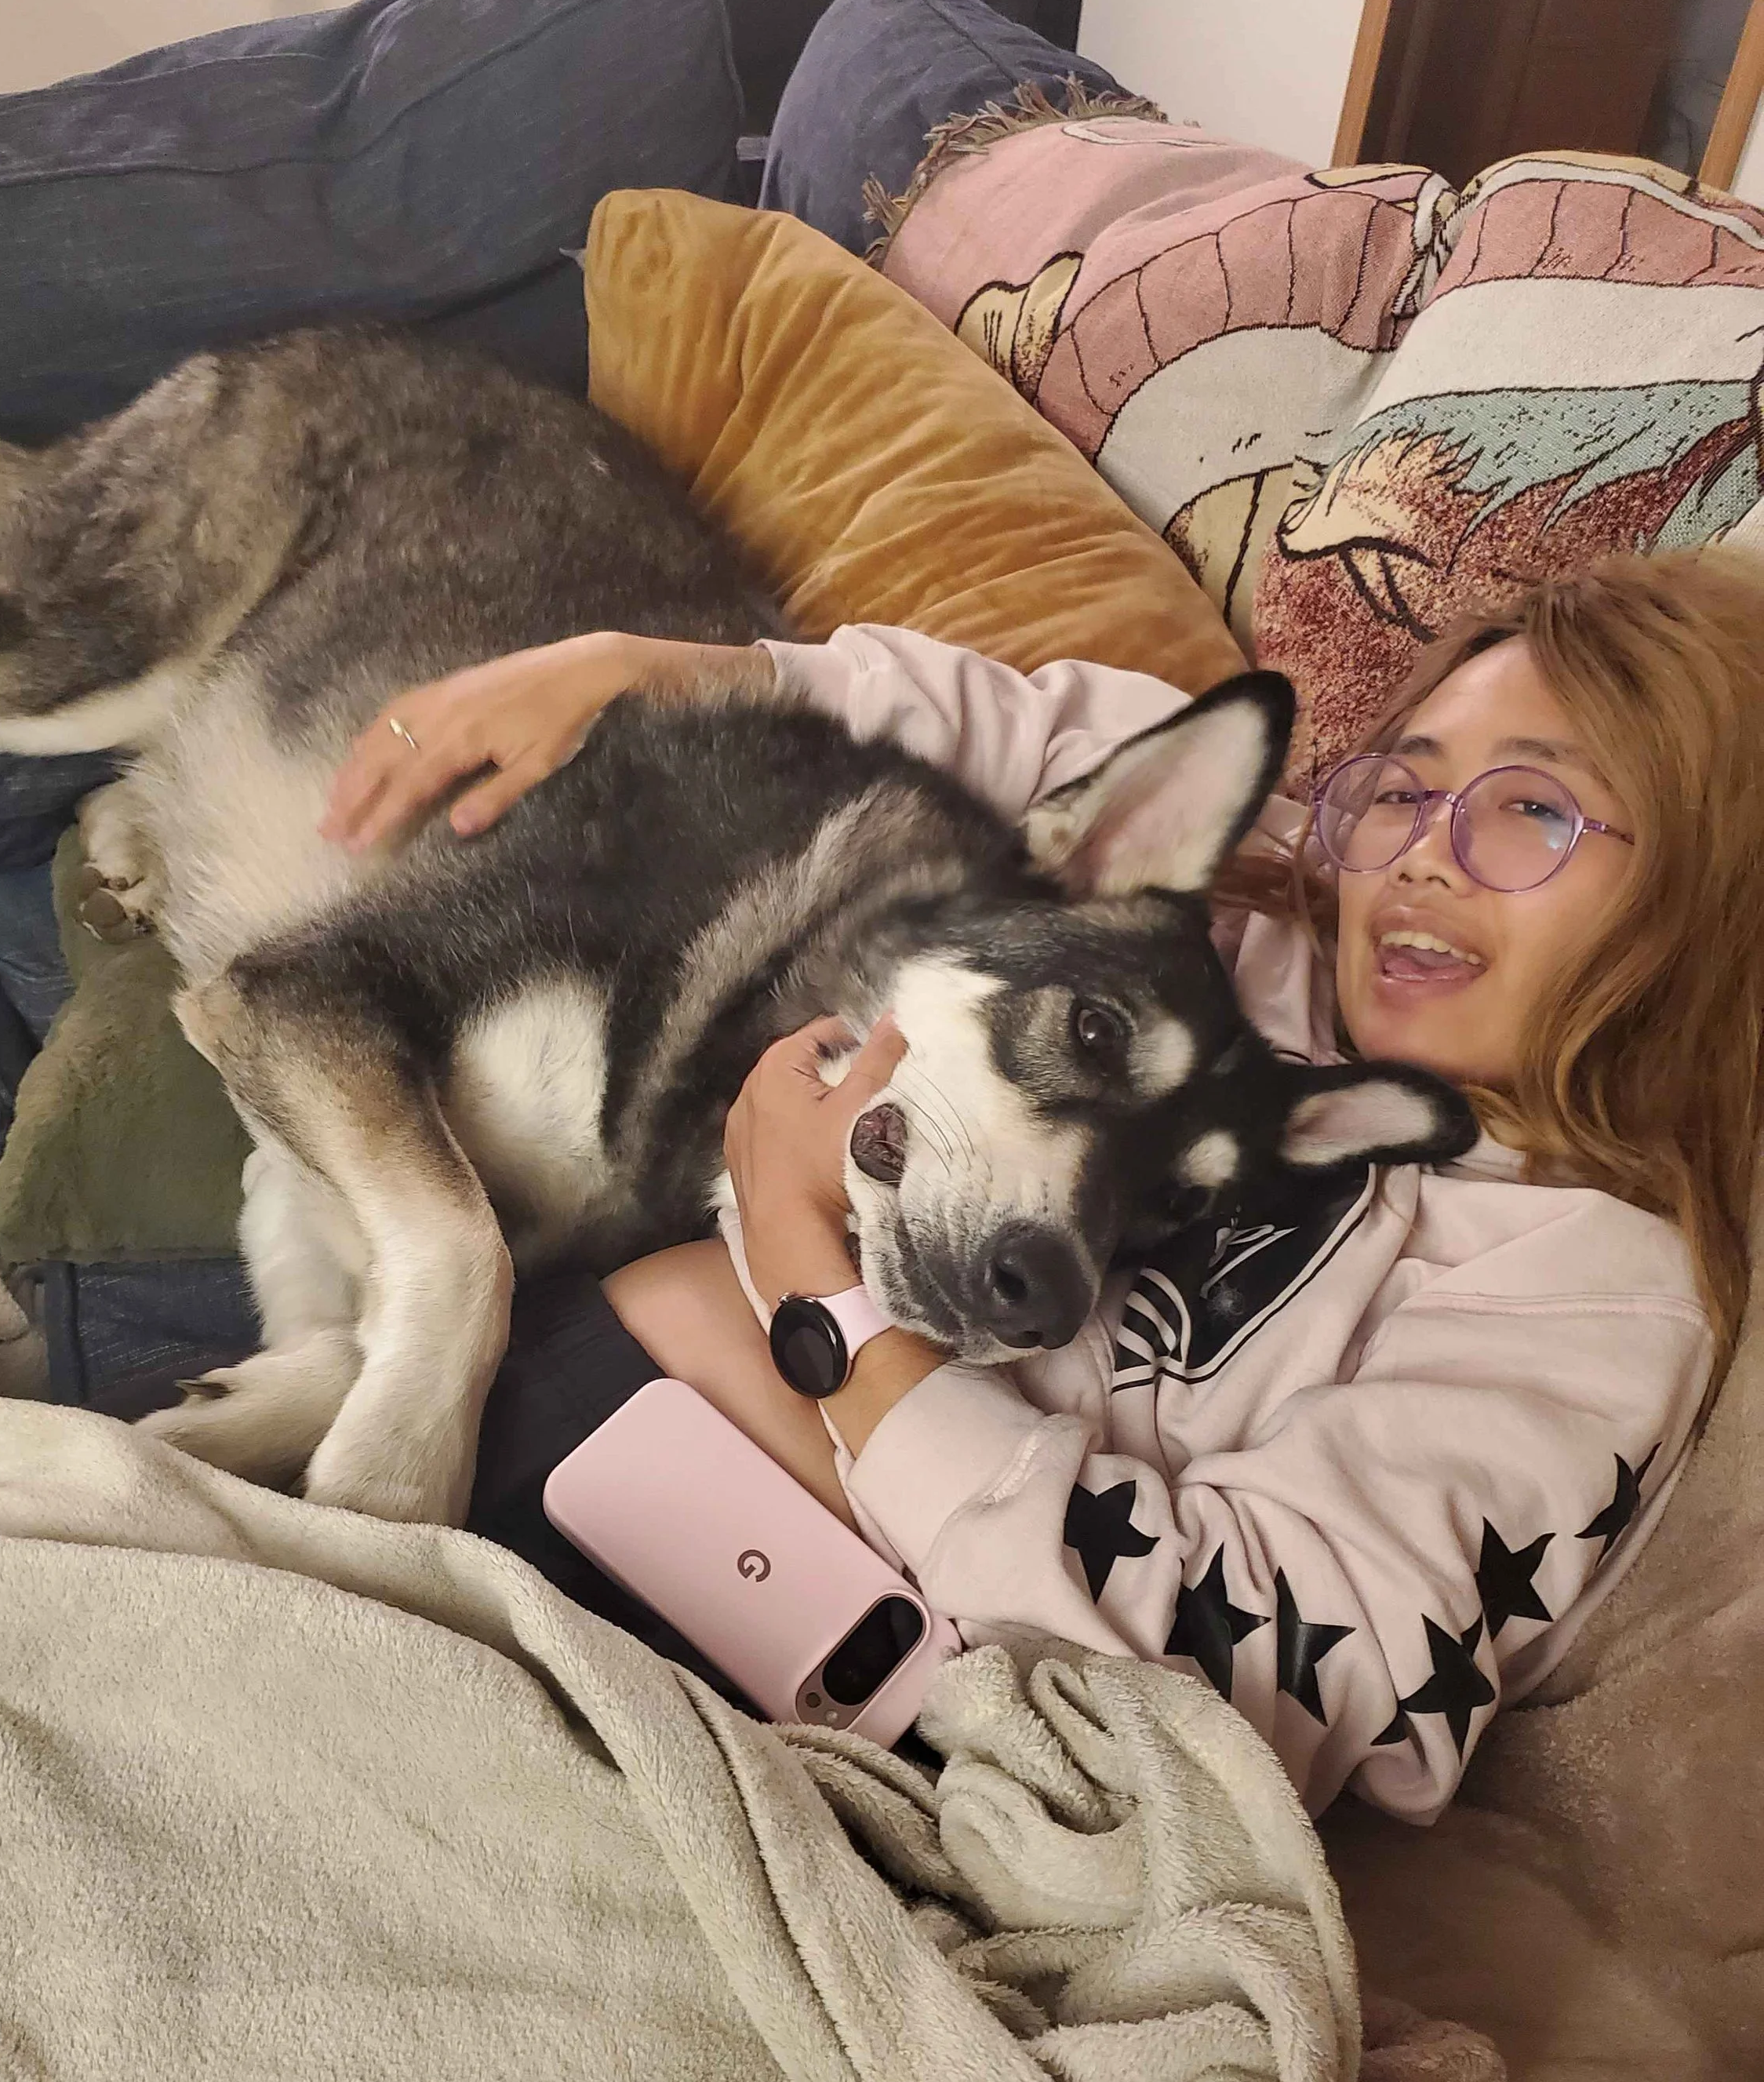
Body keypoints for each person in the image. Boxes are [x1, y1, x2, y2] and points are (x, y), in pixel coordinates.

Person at [318, 548, 1764, 1821]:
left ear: (1708, 891)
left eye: (1534, 812)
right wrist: (637, 668)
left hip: (763, 1663)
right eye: (1405, 787)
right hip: (525, 1371)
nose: (1423, 861)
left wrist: (817, 1288)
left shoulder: (1591, 1283)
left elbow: (1262, 1677)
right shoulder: (1253, 891)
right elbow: (977, 725)